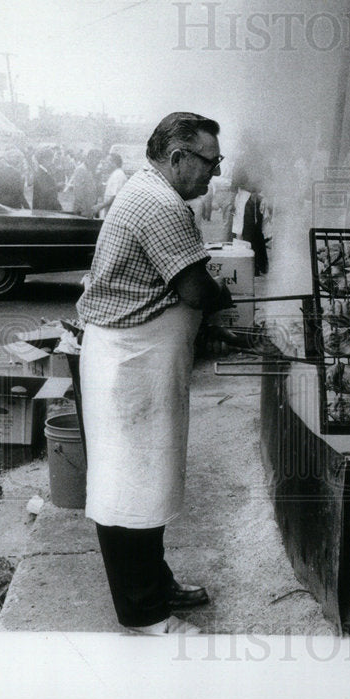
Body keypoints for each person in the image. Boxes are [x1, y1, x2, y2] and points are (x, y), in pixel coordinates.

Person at [76, 112, 234, 635]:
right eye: (209, 161)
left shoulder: (148, 189)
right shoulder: (161, 203)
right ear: (177, 158)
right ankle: (143, 614)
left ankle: (156, 582)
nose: (214, 172)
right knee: (128, 491)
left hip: (137, 360)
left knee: (148, 483)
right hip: (128, 365)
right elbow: (193, 290)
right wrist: (222, 297)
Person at [92, 152, 128, 218]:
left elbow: (115, 197)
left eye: (107, 162)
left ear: (114, 163)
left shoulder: (118, 175)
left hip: (114, 214)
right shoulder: (115, 174)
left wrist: (100, 206)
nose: (105, 164)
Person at [71, 149, 103, 217]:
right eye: (96, 159)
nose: (97, 163)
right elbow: (78, 193)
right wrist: (84, 211)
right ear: (89, 158)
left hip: (90, 209)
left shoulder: (92, 170)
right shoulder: (81, 170)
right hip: (82, 211)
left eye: (99, 160)